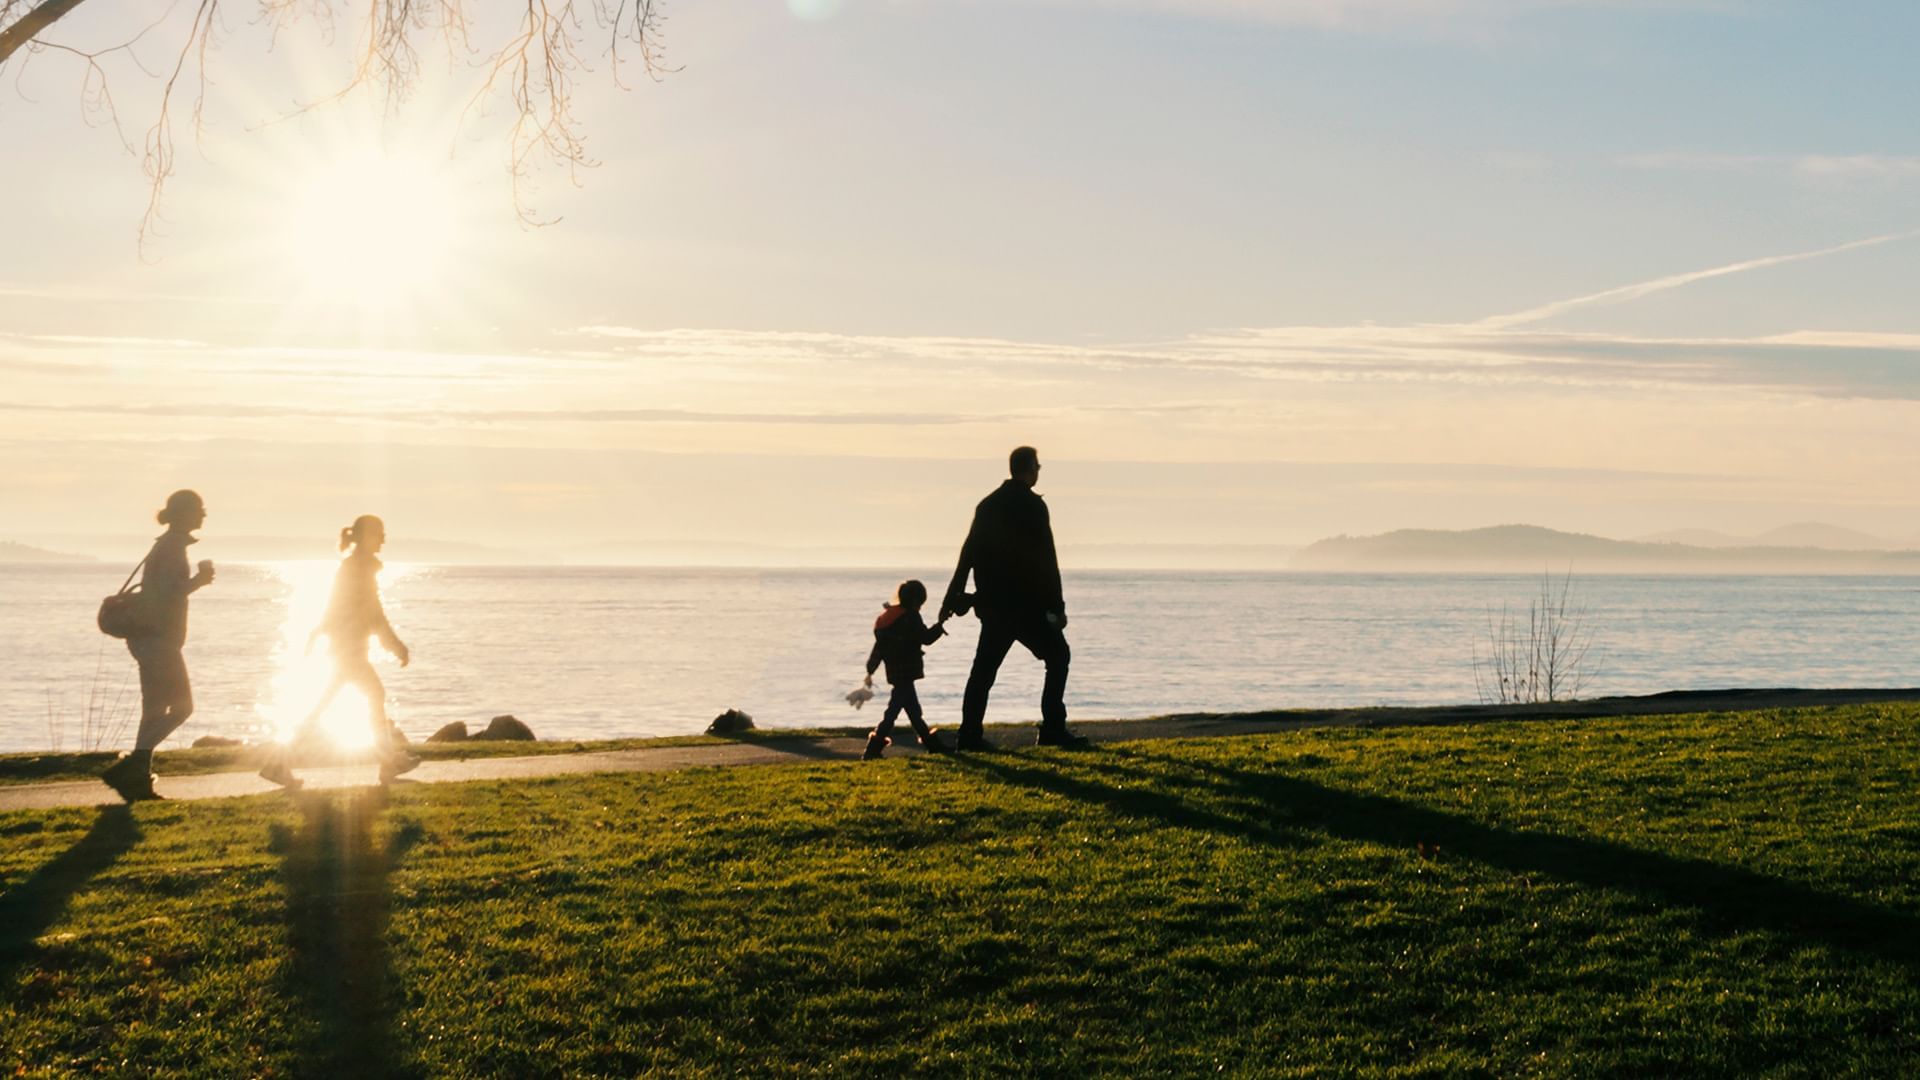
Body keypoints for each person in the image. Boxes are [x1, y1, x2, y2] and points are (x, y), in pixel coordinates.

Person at [942, 446, 1087, 750]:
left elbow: (968, 552)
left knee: (983, 672)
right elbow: (1047, 559)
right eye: (1037, 466)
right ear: (1030, 468)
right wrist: (1057, 606)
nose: (1038, 471)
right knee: (1058, 656)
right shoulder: (1033, 506)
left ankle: (969, 736)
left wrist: (952, 595)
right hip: (1027, 606)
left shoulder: (988, 505)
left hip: (994, 605)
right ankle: (1052, 729)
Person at [260, 515, 419, 788]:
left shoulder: (356, 567)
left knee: (323, 708)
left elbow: (341, 607)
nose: (384, 538)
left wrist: (320, 634)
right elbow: (374, 614)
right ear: (366, 536)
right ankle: (389, 762)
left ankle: (277, 764)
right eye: (379, 533)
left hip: (344, 648)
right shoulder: (358, 569)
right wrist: (396, 646)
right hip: (349, 650)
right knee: (373, 696)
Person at [101, 489, 216, 801]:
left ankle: (138, 782)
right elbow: (167, 592)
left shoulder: (165, 545)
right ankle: (134, 765)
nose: (204, 514)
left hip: (147, 639)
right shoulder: (172, 547)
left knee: (153, 712)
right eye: (199, 509)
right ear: (184, 514)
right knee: (183, 708)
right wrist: (200, 580)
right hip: (159, 640)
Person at [861, 579, 952, 759]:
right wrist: (940, 626)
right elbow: (925, 638)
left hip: (894, 670)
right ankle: (873, 748)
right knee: (893, 711)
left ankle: (932, 744)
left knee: (913, 710)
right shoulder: (910, 617)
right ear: (916, 600)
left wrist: (870, 669)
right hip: (907, 669)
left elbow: (878, 649)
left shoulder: (887, 618)